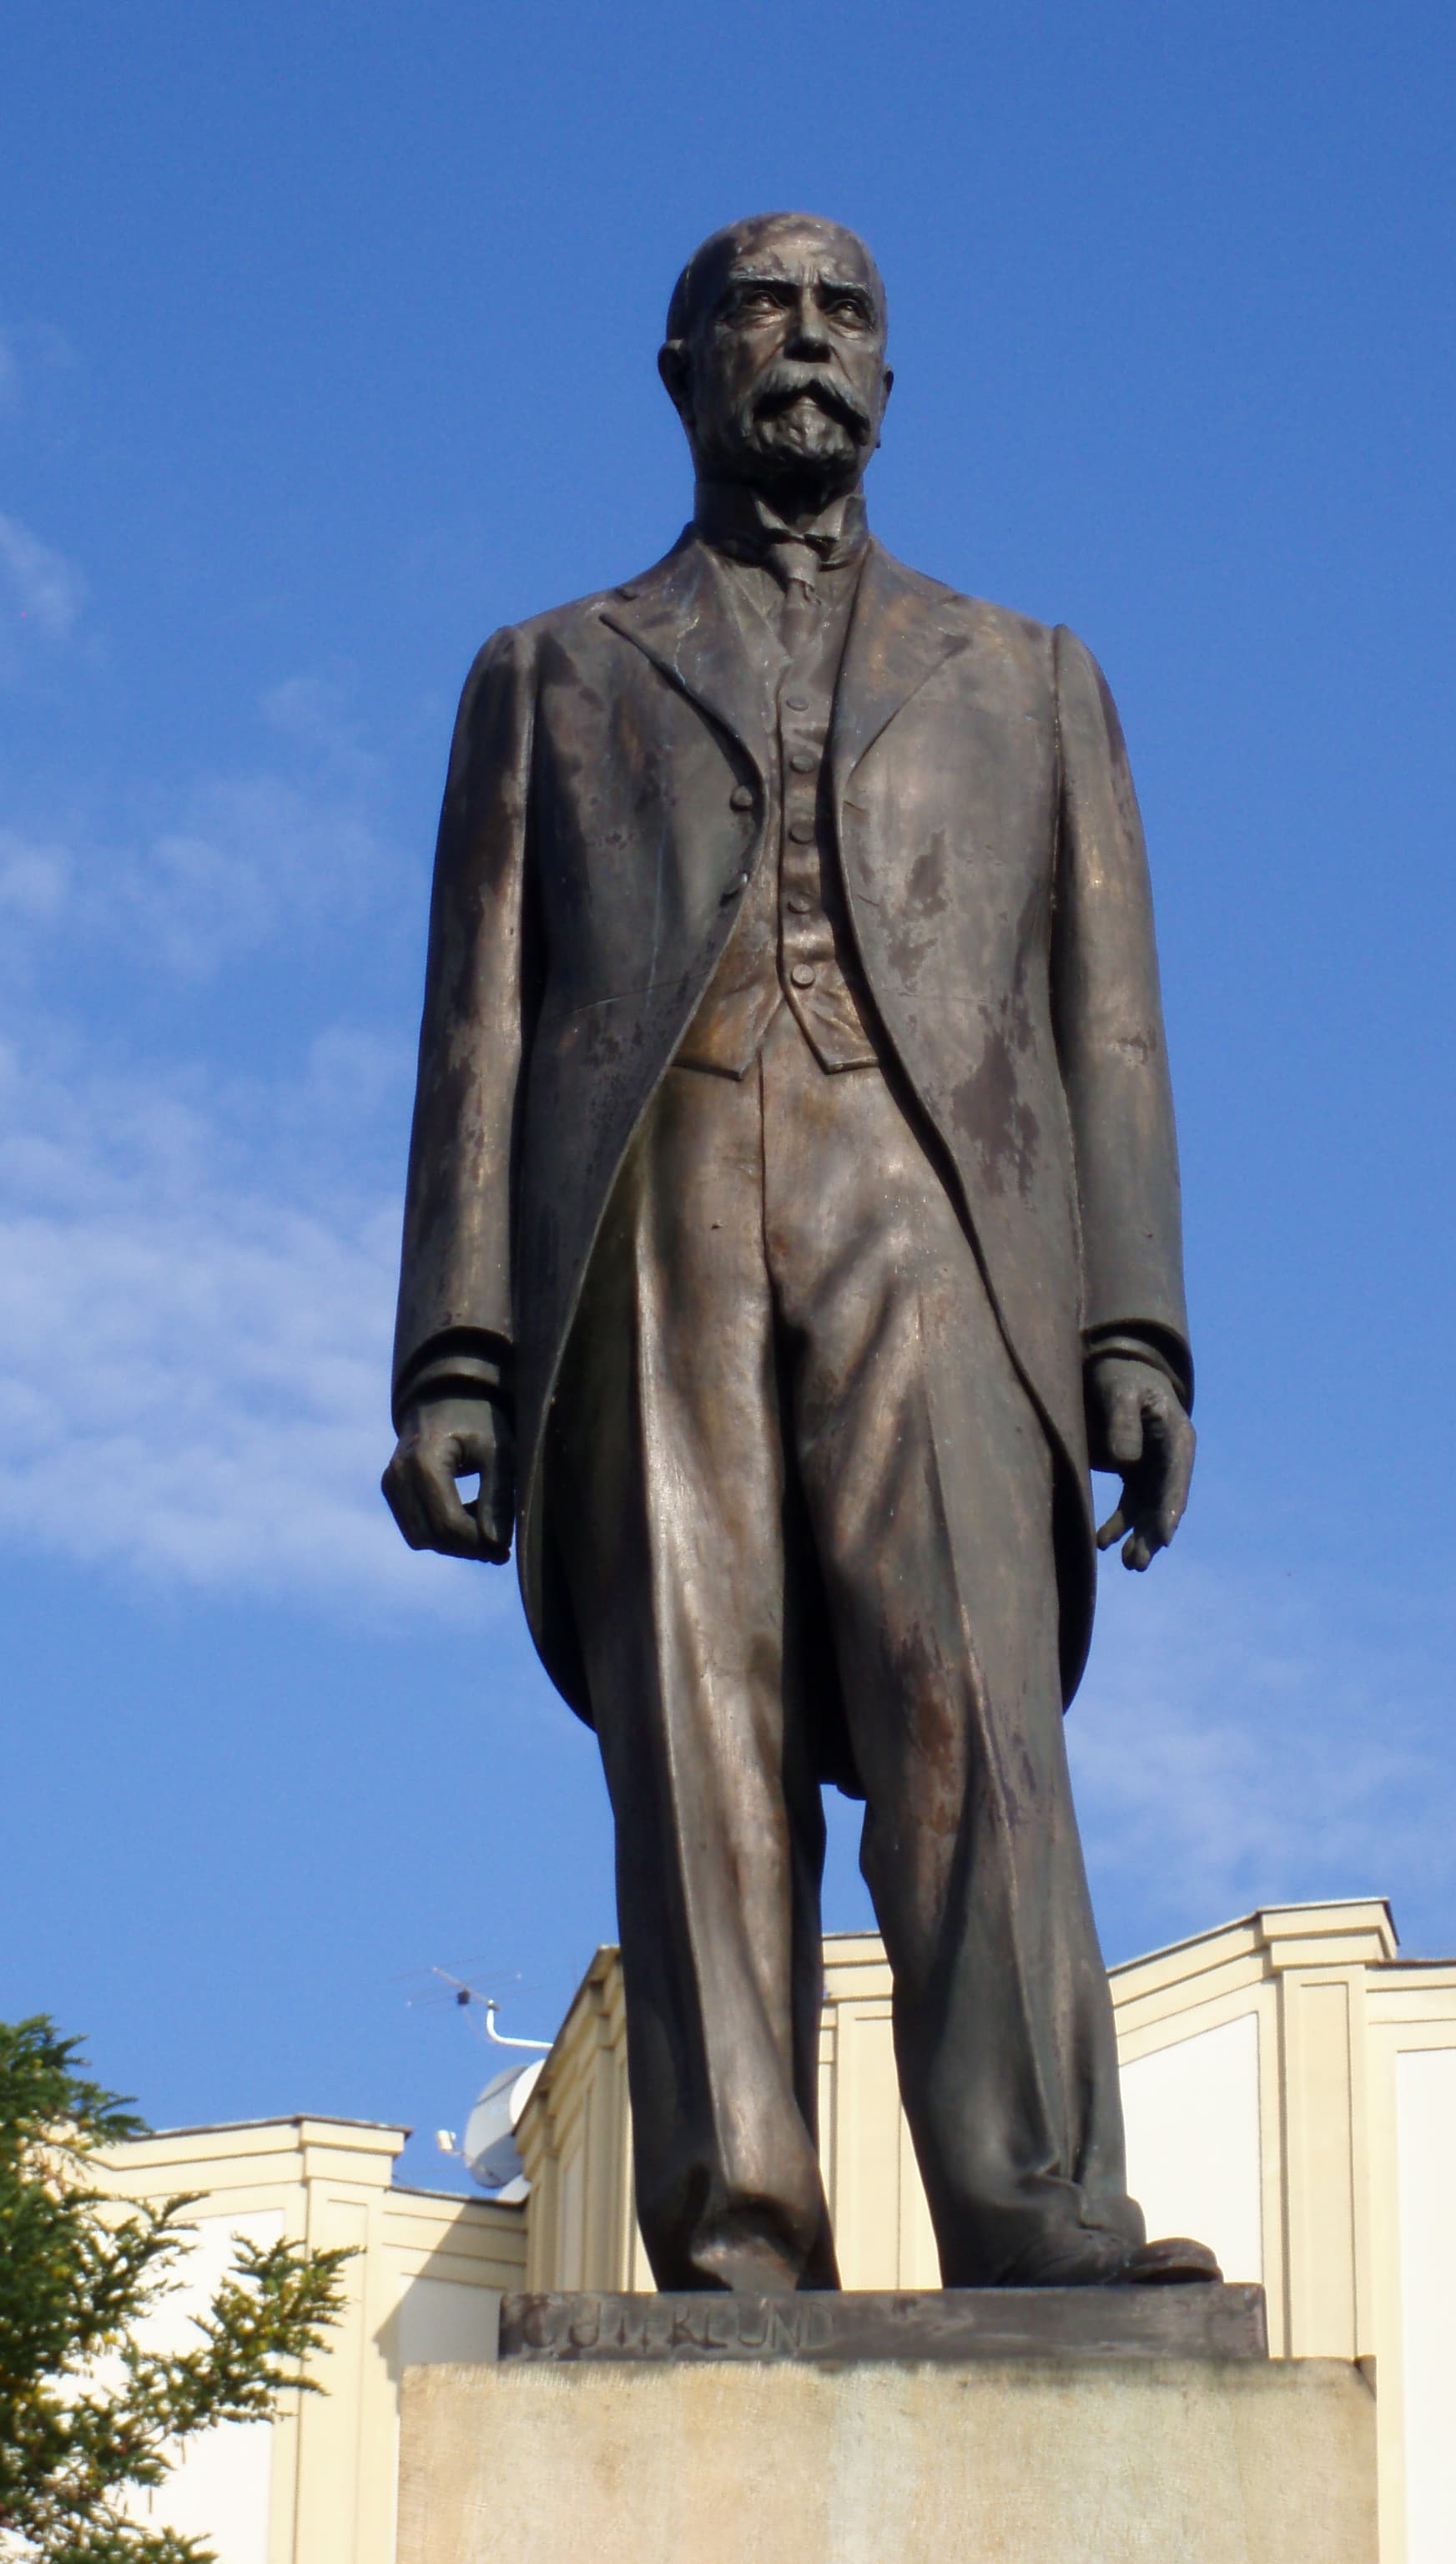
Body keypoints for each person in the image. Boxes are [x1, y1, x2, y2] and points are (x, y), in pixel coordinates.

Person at [384, 214, 1211, 2295]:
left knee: (971, 1713)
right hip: (648, 1201)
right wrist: (454, 1353)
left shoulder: (1030, 674)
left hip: (942, 1211)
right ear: (679, 365)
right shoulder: (549, 673)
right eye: (765, 306)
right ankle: (737, 2226)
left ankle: (1037, 2200)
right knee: (700, 1722)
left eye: (848, 313)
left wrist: (1137, 1326)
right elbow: (478, 1028)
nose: (809, 343)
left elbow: (1104, 1019)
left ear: (892, 380)